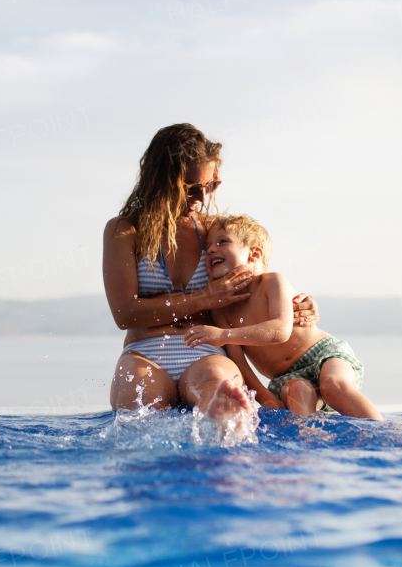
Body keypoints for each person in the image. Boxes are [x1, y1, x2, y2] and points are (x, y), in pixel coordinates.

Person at [103, 124, 319, 422]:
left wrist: (299, 303)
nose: (203, 198)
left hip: (207, 353)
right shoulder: (125, 230)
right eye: (192, 188)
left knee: (216, 389)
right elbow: (125, 313)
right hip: (145, 354)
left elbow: (258, 283)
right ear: (162, 180)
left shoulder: (216, 233)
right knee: (140, 412)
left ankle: (222, 427)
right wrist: (203, 298)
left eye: (211, 186)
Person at [183, 214, 382, 419]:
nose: (211, 249)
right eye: (208, 247)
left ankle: (382, 432)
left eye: (222, 241)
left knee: (332, 385)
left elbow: (280, 330)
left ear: (254, 254)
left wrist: (223, 335)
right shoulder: (221, 310)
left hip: (324, 354)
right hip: (286, 377)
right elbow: (240, 365)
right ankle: (307, 441)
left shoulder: (272, 282)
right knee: (298, 392)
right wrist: (266, 397)